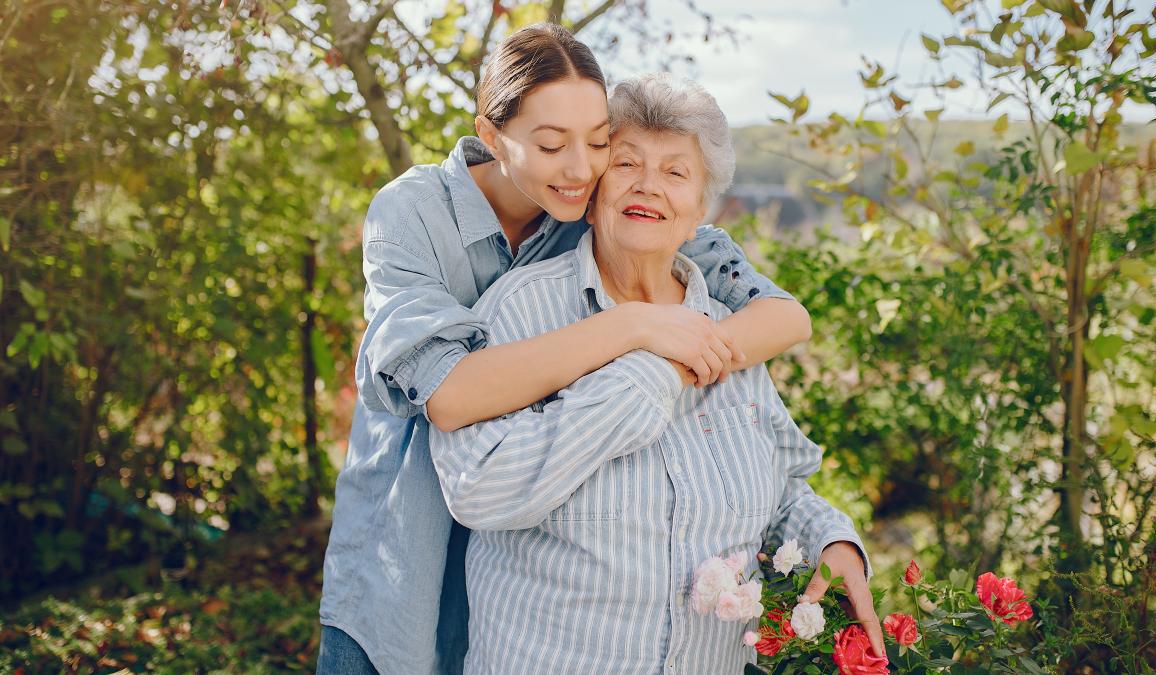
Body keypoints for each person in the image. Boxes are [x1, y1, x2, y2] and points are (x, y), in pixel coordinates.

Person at [317, 25, 815, 675]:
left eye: (599, 142)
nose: (581, 169)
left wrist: (680, 358)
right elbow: (450, 395)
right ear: (491, 136)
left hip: (519, 559)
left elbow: (783, 315)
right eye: (552, 145)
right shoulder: (412, 213)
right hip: (406, 542)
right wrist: (633, 328)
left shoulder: (599, 204)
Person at [428, 72, 881, 674]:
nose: (649, 186)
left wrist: (831, 539)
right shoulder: (520, 311)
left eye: (676, 172)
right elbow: (478, 490)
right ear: (592, 191)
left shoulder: (729, 329)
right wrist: (655, 373)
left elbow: (778, 489)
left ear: (700, 215)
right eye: (626, 164)